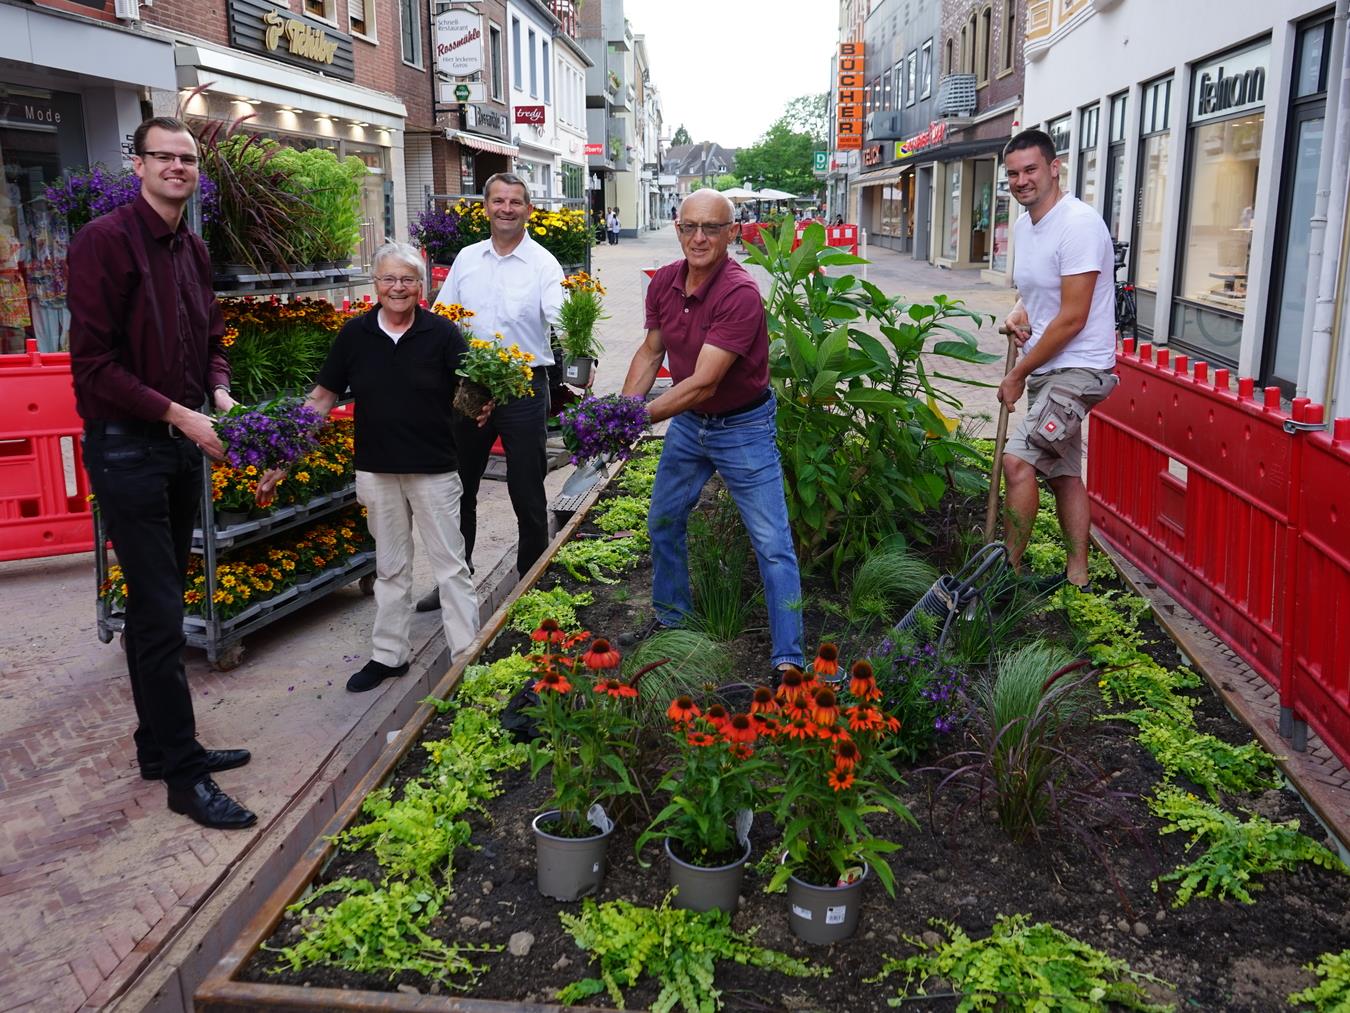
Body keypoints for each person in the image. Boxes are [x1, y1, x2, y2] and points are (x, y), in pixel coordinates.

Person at [68, 116, 254, 830]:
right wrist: (181, 415)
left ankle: (159, 745)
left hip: (176, 442)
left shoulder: (193, 249)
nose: (177, 167)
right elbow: (94, 369)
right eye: (164, 157)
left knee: (161, 602)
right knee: (158, 613)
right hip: (127, 447)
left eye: (187, 158)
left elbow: (209, 339)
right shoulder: (104, 244)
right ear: (138, 164)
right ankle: (182, 776)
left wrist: (220, 390)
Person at [257, 244, 479, 692]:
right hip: (377, 470)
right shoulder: (354, 336)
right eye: (388, 279)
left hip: (434, 469)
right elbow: (321, 399)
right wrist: (283, 459)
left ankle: (467, 658)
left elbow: (471, 392)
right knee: (390, 566)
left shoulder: (443, 334)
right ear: (375, 284)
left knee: (451, 568)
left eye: (407, 280)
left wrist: (486, 400)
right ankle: (389, 655)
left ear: (422, 286)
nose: (398, 288)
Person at [620, 189, 805, 682]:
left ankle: (789, 657)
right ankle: (672, 621)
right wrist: (619, 412)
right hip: (689, 425)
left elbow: (703, 381)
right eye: (690, 227)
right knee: (663, 520)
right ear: (677, 228)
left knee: (772, 543)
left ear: (732, 233)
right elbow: (649, 352)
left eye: (712, 228)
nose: (699, 238)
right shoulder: (663, 281)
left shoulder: (739, 293)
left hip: (742, 426)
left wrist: (637, 421)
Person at [415, 172, 563, 613]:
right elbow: (444, 317)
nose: (506, 208)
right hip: (473, 382)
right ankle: (454, 581)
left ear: (528, 210)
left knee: (526, 486)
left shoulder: (543, 264)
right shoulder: (467, 258)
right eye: (498, 201)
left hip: (523, 383)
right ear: (485, 208)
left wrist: (576, 330)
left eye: (515, 201)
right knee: (459, 484)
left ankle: (532, 578)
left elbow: (559, 311)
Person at [998, 128, 1119, 592]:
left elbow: (1072, 318)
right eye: (1013, 173)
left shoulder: (1079, 225)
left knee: (1017, 463)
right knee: (1065, 475)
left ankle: (1004, 573)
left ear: (1054, 168)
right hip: (1049, 369)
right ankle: (1078, 575)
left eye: (1030, 169)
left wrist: (1016, 374)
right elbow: (1033, 293)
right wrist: (1017, 311)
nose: (1022, 180)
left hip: (1080, 368)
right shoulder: (1028, 227)